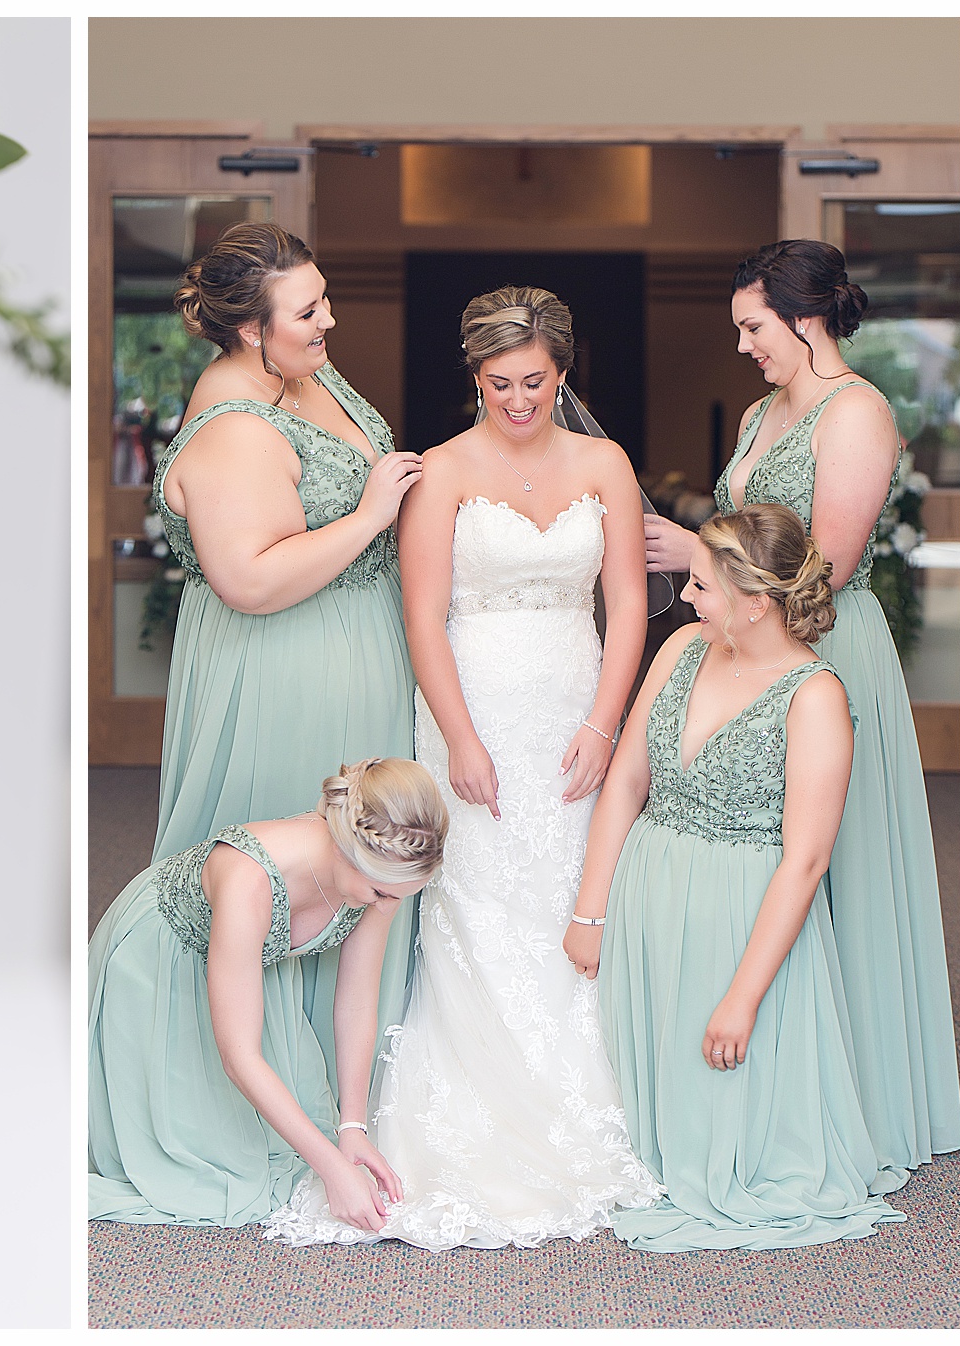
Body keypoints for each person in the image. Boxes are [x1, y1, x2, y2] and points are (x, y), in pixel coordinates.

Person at [265, 286, 661, 1250]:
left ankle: (589, 1106)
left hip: (571, 704)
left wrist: (606, 726)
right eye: (498, 383)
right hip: (470, 704)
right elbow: (423, 617)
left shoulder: (605, 461)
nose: (517, 399)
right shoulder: (441, 470)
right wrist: (461, 739)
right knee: (477, 900)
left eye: (534, 381)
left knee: (572, 887)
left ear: (562, 374)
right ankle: (472, 1114)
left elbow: (627, 603)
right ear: (474, 377)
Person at [641, 241, 959, 1187]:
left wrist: (689, 542)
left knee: (830, 861)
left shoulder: (856, 412)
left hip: (822, 646)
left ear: (805, 316)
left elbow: (824, 562)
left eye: (753, 326)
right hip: (747, 639)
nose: (743, 345)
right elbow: (751, 530)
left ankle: (852, 1093)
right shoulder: (758, 411)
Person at [568, 506, 905, 1250]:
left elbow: (806, 860)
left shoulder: (815, 696)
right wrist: (591, 910)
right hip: (649, 890)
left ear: (757, 601)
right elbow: (626, 782)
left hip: (740, 916)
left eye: (700, 585)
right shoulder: (684, 648)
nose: (685, 598)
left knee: (720, 1081)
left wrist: (744, 998)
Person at [151, 221, 424, 1081]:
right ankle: (278, 1086)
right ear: (248, 328)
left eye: (325, 298)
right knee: (304, 860)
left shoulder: (301, 368)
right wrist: (372, 516)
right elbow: (252, 580)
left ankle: (360, 1087)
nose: (328, 321)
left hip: (358, 644)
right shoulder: (234, 426)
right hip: (284, 667)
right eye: (307, 311)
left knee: (371, 854)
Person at [89, 757, 448, 1228]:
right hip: (159, 966)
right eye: (382, 893)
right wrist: (333, 1168)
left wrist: (352, 1128)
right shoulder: (249, 881)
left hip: (244, 974)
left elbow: (357, 1000)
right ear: (344, 850)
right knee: (198, 1168)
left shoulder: (382, 876)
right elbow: (238, 1054)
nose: (388, 907)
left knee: (289, 1145)